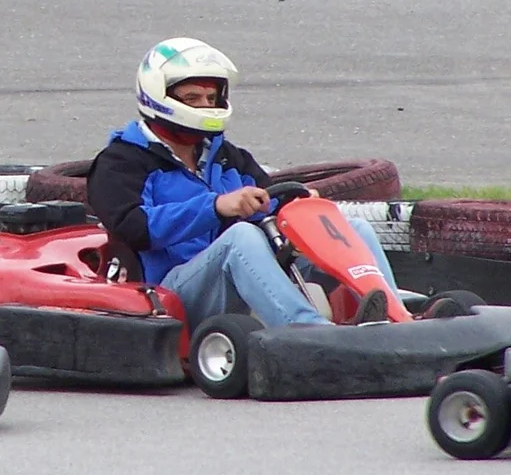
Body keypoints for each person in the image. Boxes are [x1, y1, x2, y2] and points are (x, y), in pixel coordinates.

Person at [86, 37, 403, 329]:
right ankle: (309, 331)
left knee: (352, 229)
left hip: (241, 274)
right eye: (193, 98)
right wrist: (215, 207)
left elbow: (271, 203)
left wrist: (301, 204)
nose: (205, 106)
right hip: (169, 293)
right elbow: (133, 227)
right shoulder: (122, 161)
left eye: (211, 98)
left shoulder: (226, 156)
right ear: (158, 97)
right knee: (241, 237)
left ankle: (394, 320)